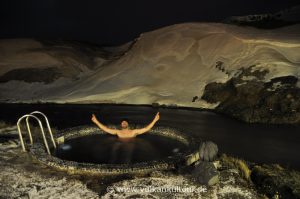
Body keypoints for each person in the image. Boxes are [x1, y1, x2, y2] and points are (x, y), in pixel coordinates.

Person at [91, 112, 160, 139]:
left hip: (132, 145)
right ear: (121, 124)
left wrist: (155, 120)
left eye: (125, 122)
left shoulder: (133, 132)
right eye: (122, 122)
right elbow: (105, 129)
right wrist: (96, 121)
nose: (124, 123)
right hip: (119, 145)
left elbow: (146, 129)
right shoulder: (118, 132)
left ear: (128, 124)